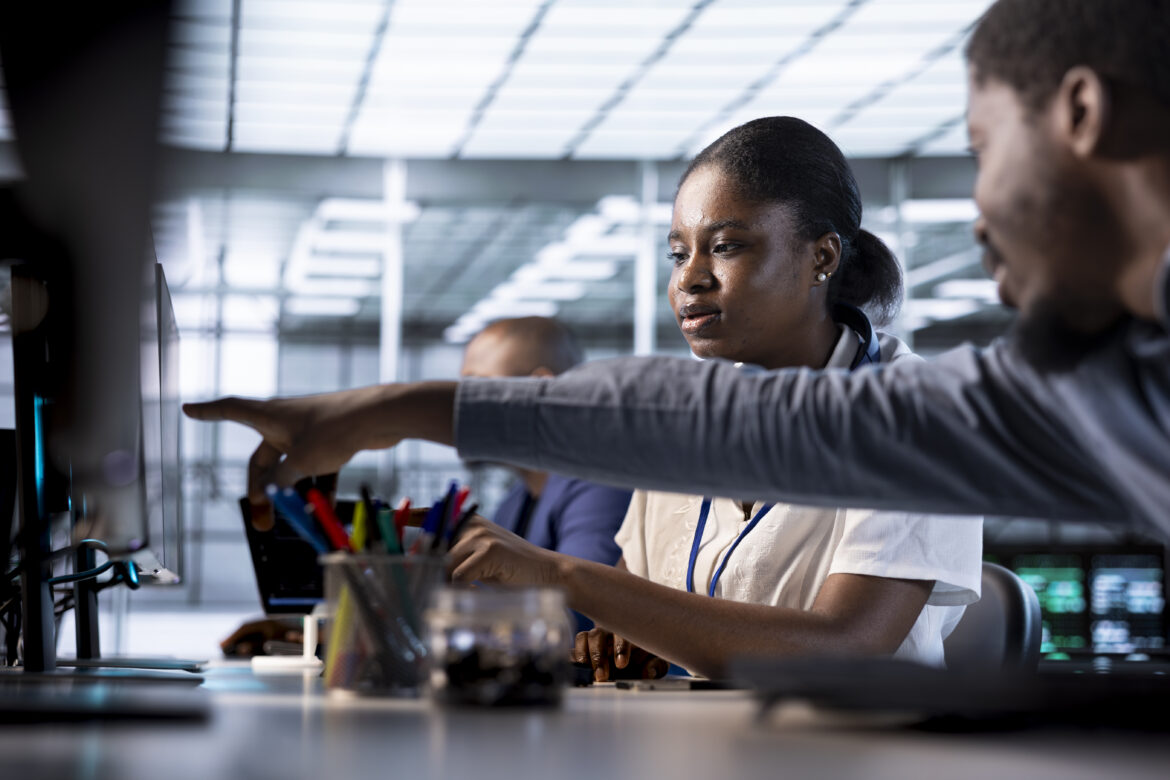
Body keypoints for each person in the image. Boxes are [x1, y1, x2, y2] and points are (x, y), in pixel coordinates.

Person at [184, 0, 1170, 574]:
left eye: (982, 150)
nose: (977, 209)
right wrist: (393, 407)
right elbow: (755, 426)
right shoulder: (1090, 392)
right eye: (676, 251)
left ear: (1081, 112)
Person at [448, 118, 981, 679]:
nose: (690, 279)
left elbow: (846, 646)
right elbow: (638, 605)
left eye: (725, 246)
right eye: (679, 254)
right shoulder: (673, 419)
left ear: (822, 258)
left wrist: (561, 575)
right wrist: (627, 641)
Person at [460, 316, 631, 632]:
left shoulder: (601, 484)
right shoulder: (518, 496)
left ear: (539, 388)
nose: (460, 406)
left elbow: (582, 611)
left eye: (476, 386)